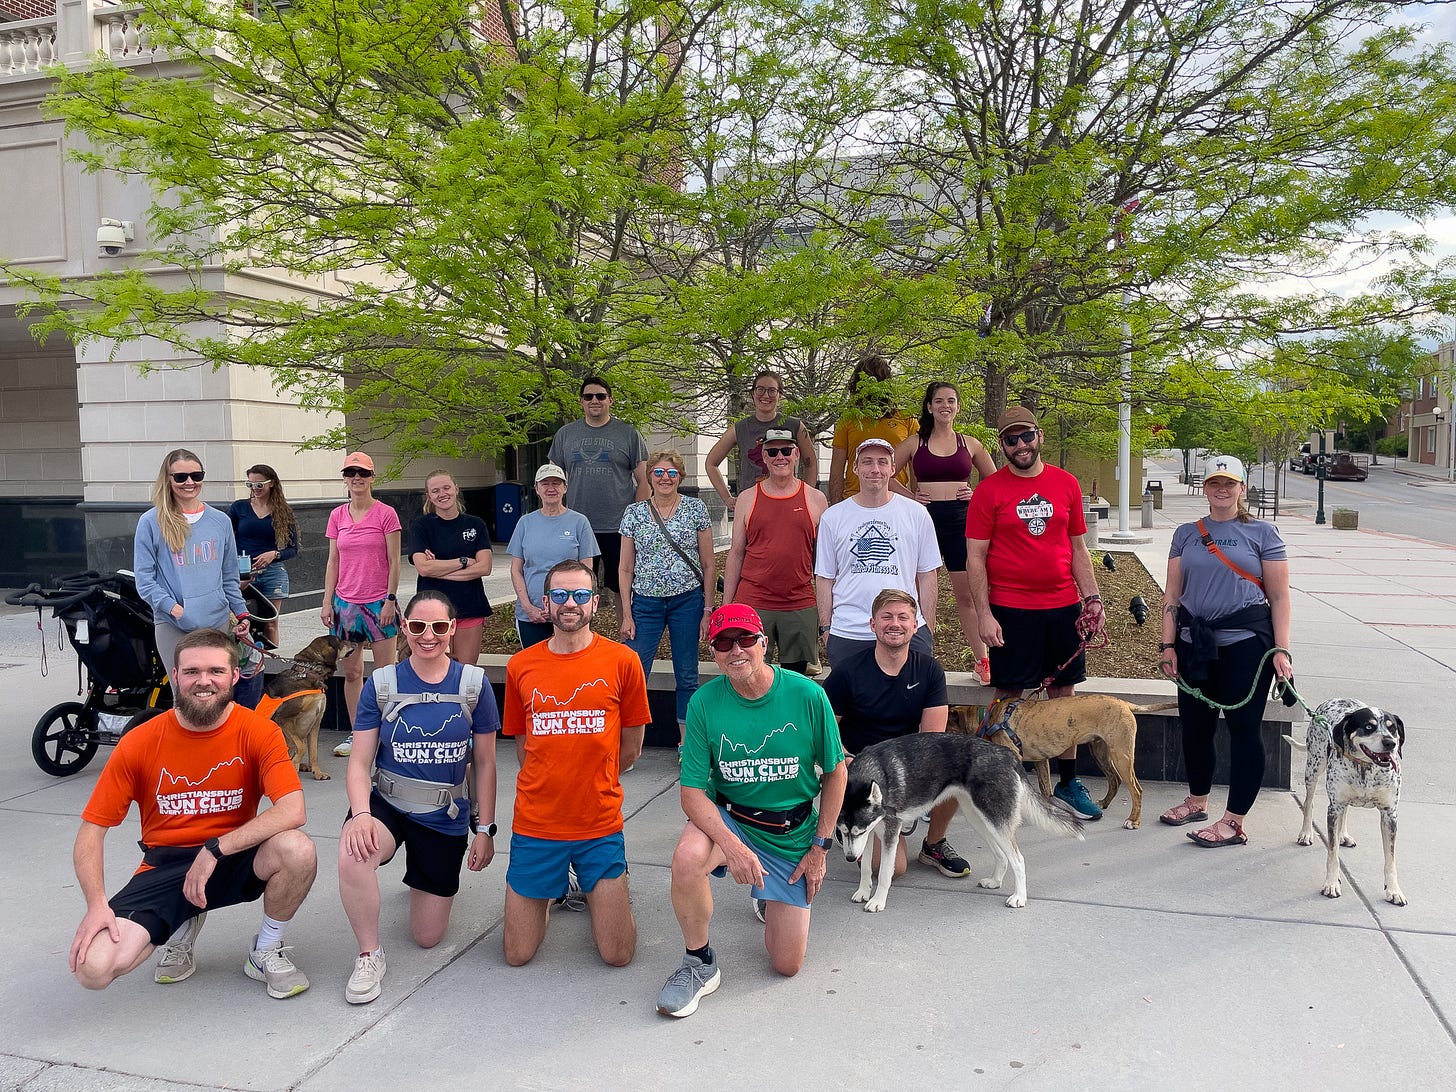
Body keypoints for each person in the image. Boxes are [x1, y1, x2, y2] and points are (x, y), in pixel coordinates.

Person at [68, 628, 316, 999]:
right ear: (175, 675)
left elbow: (293, 810)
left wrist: (214, 849)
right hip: (166, 864)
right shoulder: (140, 741)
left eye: (216, 671)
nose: (204, 682)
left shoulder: (259, 732)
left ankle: (265, 947)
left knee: (297, 849)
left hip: (233, 856)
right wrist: (96, 904)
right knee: (94, 968)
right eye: (192, 672)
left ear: (234, 676)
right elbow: (92, 831)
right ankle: (181, 920)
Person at [656, 604, 846, 1019]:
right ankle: (699, 963)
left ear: (764, 643)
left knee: (786, 965)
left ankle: (770, 895)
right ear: (714, 652)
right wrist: (733, 847)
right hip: (731, 818)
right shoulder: (705, 702)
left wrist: (820, 848)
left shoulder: (807, 695)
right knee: (687, 858)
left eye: (745, 639)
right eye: (724, 642)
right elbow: (691, 793)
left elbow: (836, 773)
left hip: (791, 830)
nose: (735, 650)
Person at [338, 591, 501, 1004]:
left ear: (453, 630)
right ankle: (369, 954)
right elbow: (358, 763)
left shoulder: (474, 685)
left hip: (443, 813)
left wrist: (484, 829)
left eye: (440, 627)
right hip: (388, 803)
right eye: (418, 627)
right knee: (353, 853)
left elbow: (485, 764)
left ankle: (421, 878)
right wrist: (359, 815)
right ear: (405, 629)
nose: (428, 635)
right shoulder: (382, 682)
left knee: (427, 937)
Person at [500, 561, 650, 967]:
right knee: (517, 954)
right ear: (546, 603)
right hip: (537, 822)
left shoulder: (623, 661)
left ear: (595, 603)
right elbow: (522, 746)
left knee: (618, 955)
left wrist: (595, 778)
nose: (571, 603)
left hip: (598, 821)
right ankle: (554, 887)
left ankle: (608, 882)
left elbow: (632, 746)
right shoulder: (521, 666)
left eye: (581, 595)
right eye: (561, 595)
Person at [965, 406, 1106, 821]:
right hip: (1011, 611)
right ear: (1002, 445)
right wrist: (984, 615)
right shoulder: (990, 490)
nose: (1020, 445)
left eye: (1026, 436)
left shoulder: (1066, 484)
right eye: (1011, 440)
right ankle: (1000, 785)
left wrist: (1092, 598)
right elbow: (976, 558)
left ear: (1039, 436)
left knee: (1065, 697)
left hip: (1062, 609)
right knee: (1007, 699)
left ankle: (1068, 782)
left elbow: (1079, 548)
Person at [1159, 455, 1292, 847]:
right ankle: (1197, 799)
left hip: (1246, 645)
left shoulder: (1264, 533)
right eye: (1215, 482)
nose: (1222, 489)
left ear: (1241, 488)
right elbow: (1172, 593)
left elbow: (1280, 597)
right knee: (1196, 728)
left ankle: (1234, 821)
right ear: (1204, 487)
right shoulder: (1186, 532)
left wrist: (1282, 650)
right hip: (1194, 643)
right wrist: (1168, 644)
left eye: (1230, 483)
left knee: (1243, 730)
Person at [822, 589, 971, 878]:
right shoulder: (848, 671)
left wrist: (910, 786)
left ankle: (934, 843)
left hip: (904, 769)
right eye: (886, 617)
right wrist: (844, 758)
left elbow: (932, 739)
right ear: (872, 624)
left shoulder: (928, 670)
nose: (895, 623)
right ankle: (851, 821)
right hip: (858, 771)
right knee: (894, 869)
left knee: (956, 766)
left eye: (904, 617)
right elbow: (824, 729)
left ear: (915, 626)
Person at [893, 382, 997, 684]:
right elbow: (886, 474)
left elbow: (995, 482)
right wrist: (909, 496)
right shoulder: (915, 443)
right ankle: (914, 659)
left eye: (951, 401)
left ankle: (983, 661)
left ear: (958, 407)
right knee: (916, 594)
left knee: (967, 595)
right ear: (929, 407)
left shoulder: (971, 444)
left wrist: (975, 493)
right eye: (938, 401)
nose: (945, 406)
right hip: (921, 520)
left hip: (959, 521)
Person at [815, 437, 941, 665]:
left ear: (893, 469)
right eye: (867, 462)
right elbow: (824, 577)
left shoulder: (917, 514)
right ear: (855, 468)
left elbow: (927, 574)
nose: (875, 469)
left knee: (911, 699)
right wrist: (826, 629)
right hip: (849, 632)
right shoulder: (833, 517)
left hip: (904, 629)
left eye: (883, 462)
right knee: (851, 701)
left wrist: (926, 627)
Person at [618, 450, 716, 745]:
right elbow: (625, 567)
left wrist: (707, 609)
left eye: (671, 473)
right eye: (659, 472)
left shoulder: (695, 509)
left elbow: (709, 564)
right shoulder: (634, 513)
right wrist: (626, 613)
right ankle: (629, 742)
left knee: (686, 674)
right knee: (635, 673)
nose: (664, 478)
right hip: (646, 603)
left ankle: (686, 743)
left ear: (680, 477)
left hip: (687, 601)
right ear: (650, 476)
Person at [134, 448, 252, 685]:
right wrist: (174, 609)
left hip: (216, 620)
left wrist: (241, 614)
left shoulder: (220, 521)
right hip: (173, 624)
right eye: (181, 477)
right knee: (185, 695)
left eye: (196, 476)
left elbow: (229, 575)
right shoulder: (151, 521)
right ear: (168, 479)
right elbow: (145, 580)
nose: (189, 482)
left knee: (218, 691)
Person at [721, 428, 828, 675]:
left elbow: (823, 562)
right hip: (754, 601)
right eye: (773, 451)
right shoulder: (748, 498)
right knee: (753, 675)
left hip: (799, 602)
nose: (780, 457)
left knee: (797, 677)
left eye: (786, 450)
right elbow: (736, 553)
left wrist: (826, 614)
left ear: (797, 454)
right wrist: (726, 605)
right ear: (765, 457)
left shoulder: (816, 499)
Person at [323, 452, 402, 759]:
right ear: (344, 477)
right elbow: (333, 560)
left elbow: (395, 561)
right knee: (353, 672)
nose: (356, 478)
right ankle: (358, 732)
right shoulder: (337, 516)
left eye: (362, 473)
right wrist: (327, 601)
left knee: (385, 672)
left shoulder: (386, 514)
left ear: (372, 477)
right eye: (350, 472)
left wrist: (390, 600)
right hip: (346, 606)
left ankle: (386, 731)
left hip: (378, 603)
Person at [548, 375, 649, 603]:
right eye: (588, 396)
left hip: (619, 527)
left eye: (601, 396)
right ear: (581, 401)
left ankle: (627, 633)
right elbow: (553, 480)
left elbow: (644, 480)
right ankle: (580, 637)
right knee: (578, 588)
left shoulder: (628, 433)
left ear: (610, 400)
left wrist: (637, 517)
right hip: (577, 525)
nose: (595, 400)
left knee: (623, 589)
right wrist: (555, 516)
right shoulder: (565, 434)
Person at [507, 463, 600, 649]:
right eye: (545, 483)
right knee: (536, 668)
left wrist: (576, 606)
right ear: (537, 489)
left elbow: (587, 570)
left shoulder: (579, 522)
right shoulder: (525, 523)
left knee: (572, 665)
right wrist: (528, 608)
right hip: (532, 615)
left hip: (570, 612)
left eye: (556, 483)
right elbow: (516, 570)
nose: (551, 488)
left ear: (565, 488)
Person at [408, 470, 494, 665]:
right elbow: (424, 568)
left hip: (470, 606)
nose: (442, 494)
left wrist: (439, 569)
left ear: (456, 489)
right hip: (432, 611)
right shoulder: (421, 526)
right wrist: (463, 561)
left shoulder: (475, 524)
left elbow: (484, 567)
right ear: (429, 496)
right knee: (434, 670)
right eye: (435, 490)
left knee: (465, 672)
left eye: (446, 488)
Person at [704, 370, 818, 510]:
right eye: (760, 389)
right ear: (752, 394)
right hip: (752, 505)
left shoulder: (795, 426)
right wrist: (727, 498)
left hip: (787, 503)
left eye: (772, 390)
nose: (765, 395)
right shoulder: (740, 429)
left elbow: (811, 463)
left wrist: (806, 496)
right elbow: (711, 463)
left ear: (779, 395)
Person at [827, 352, 917, 503]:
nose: (872, 387)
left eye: (878, 379)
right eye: (867, 380)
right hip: (855, 499)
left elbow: (916, 468)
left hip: (896, 501)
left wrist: (917, 504)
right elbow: (836, 470)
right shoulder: (848, 419)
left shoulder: (906, 418)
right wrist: (837, 507)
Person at [227, 463, 299, 649]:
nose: (255, 489)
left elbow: (293, 548)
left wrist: (274, 554)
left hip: (272, 572)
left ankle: (270, 664)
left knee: (270, 622)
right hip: (243, 571)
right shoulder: (239, 508)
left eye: (259, 485)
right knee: (239, 620)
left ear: (271, 484)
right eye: (250, 485)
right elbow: (225, 539)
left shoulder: (282, 511)